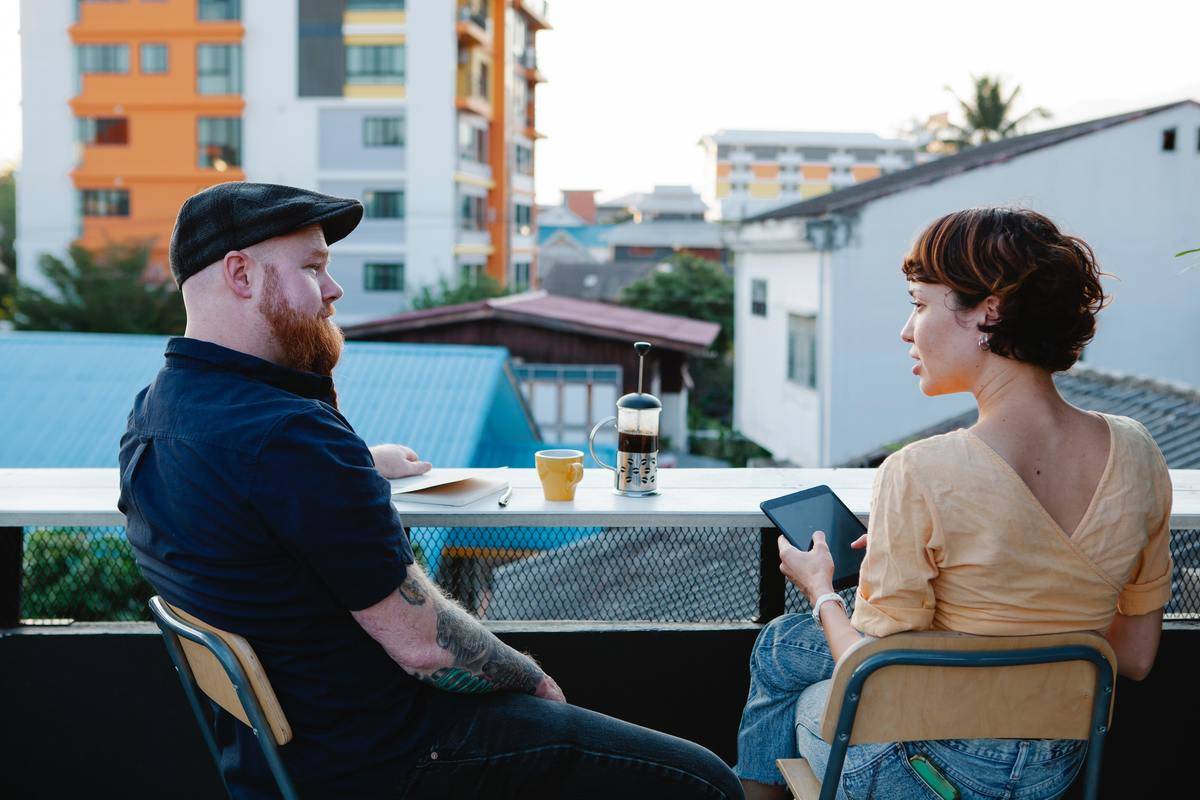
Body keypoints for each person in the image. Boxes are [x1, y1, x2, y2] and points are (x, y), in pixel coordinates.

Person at [119, 182, 743, 799]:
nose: (333, 291)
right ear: (241, 275)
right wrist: (531, 679)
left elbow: (252, 488)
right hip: (393, 759)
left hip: (275, 766)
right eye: (314, 268)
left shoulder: (160, 413)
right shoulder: (291, 439)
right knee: (704, 781)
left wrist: (361, 462)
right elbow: (424, 647)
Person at [735, 207, 1173, 800]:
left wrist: (818, 589)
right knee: (788, 645)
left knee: (792, 656)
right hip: (1055, 768)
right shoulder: (1139, 452)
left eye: (919, 303)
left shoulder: (920, 470)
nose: (905, 329)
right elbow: (1136, 657)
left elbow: (871, 669)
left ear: (988, 310)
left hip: (924, 771)